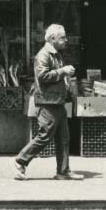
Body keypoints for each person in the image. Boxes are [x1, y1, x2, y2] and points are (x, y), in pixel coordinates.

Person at [10, 23, 83, 181]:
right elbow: (43, 76)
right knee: (44, 136)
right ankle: (20, 161)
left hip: (57, 101)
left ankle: (63, 171)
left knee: (64, 137)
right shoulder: (43, 55)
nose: (66, 40)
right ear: (52, 38)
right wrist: (62, 72)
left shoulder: (56, 54)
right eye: (62, 37)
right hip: (48, 102)